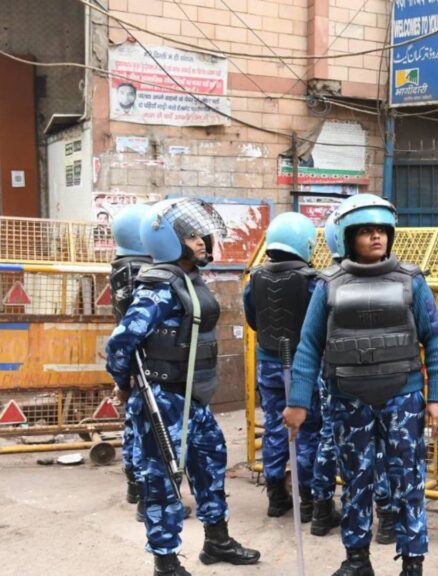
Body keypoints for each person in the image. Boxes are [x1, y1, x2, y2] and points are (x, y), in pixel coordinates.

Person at [283, 194, 438, 576]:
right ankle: (357, 559)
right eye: (366, 232)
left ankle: (413, 562)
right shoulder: (328, 285)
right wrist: (298, 402)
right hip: (348, 399)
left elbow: (436, 339)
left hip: (402, 399)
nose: (377, 237)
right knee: (356, 481)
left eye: (381, 231)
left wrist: (437, 397)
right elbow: (309, 345)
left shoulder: (411, 281)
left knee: (408, 481)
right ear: (348, 237)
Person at [105, 198, 260, 576]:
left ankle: (217, 540)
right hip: (164, 399)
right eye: (191, 237)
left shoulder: (188, 279)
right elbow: (121, 343)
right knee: (161, 481)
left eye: (200, 235)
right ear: (167, 241)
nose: (201, 241)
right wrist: (124, 385)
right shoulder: (158, 287)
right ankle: (166, 561)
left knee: (210, 464)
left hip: (195, 399)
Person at [310, 211, 395, 542]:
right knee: (377, 447)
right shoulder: (342, 281)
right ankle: (386, 516)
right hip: (362, 380)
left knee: (330, 440)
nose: (375, 237)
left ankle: (321, 508)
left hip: (334, 377)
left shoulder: (325, 280)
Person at [243, 212, 322, 521]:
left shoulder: (254, 279)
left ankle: (276, 496)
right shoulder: (313, 282)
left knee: (275, 427)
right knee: (308, 429)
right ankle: (309, 501)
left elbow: (253, 319)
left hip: (268, 363)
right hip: (305, 367)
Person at [109, 204, 153, 520]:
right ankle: (147, 496)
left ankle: (134, 485)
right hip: (146, 359)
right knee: (146, 429)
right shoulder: (143, 272)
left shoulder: (121, 266)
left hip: (130, 360)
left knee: (133, 423)